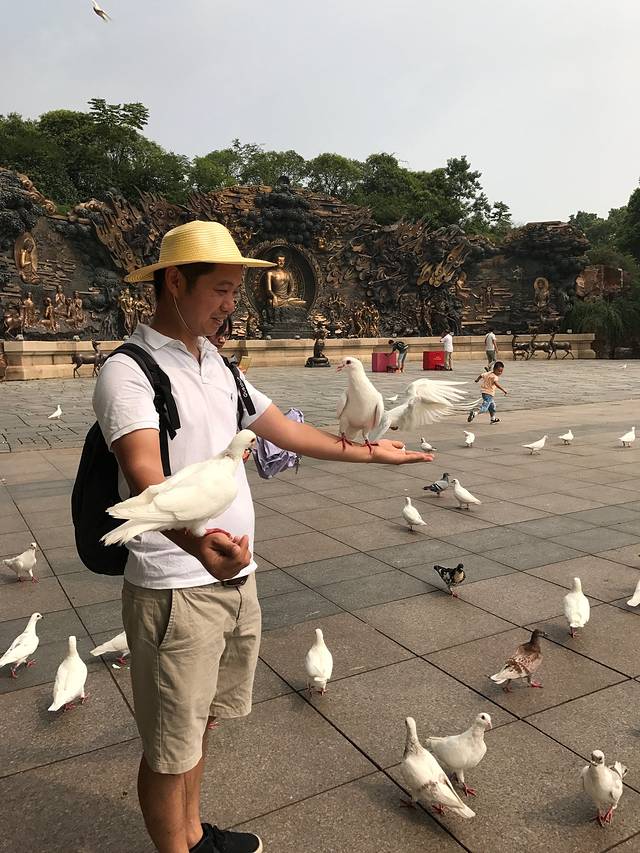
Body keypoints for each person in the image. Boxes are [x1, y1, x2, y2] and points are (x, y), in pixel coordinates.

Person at [92, 220, 431, 853]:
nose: (232, 304)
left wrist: (370, 453)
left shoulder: (218, 364)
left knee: (202, 725)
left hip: (234, 578)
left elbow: (284, 431)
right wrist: (197, 546)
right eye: (221, 289)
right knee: (169, 748)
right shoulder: (129, 371)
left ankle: (195, 836)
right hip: (177, 589)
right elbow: (145, 475)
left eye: (235, 291)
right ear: (174, 283)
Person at [468, 360, 507, 424]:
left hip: (484, 393)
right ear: (494, 369)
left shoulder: (489, 373)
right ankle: (475, 413)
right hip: (489, 394)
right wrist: (503, 390)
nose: (500, 373)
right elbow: (496, 384)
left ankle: (493, 419)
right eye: (498, 371)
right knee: (485, 407)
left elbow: (481, 375)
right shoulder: (495, 377)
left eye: (501, 371)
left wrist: (477, 380)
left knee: (492, 406)